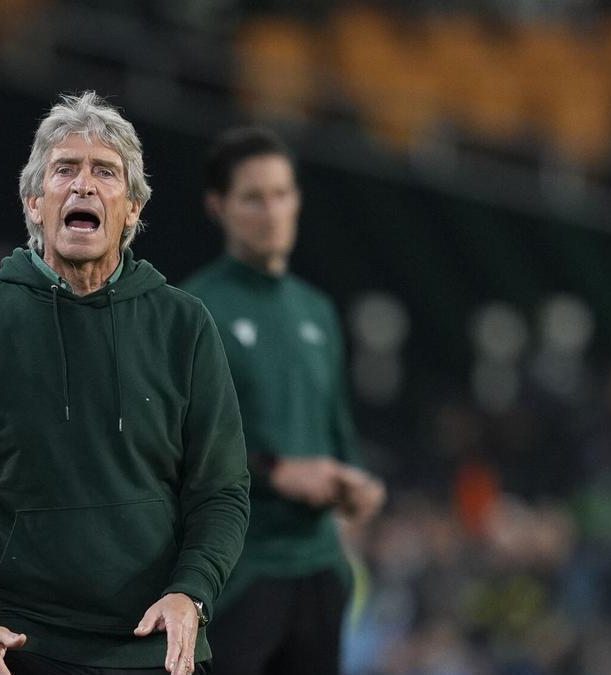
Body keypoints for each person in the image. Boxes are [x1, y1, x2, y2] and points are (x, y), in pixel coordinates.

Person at [0, 92, 250, 675]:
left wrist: (192, 592)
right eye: (65, 169)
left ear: (133, 209)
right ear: (34, 203)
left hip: (152, 650)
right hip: (15, 651)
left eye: (105, 172)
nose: (83, 185)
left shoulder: (184, 327)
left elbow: (221, 492)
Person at [183, 126, 386, 675]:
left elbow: (335, 430)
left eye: (282, 194)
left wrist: (354, 483)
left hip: (319, 569)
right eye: (253, 197)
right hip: (240, 572)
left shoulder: (316, 310)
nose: (272, 212)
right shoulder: (195, 311)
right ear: (218, 206)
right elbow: (175, 448)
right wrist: (277, 472)